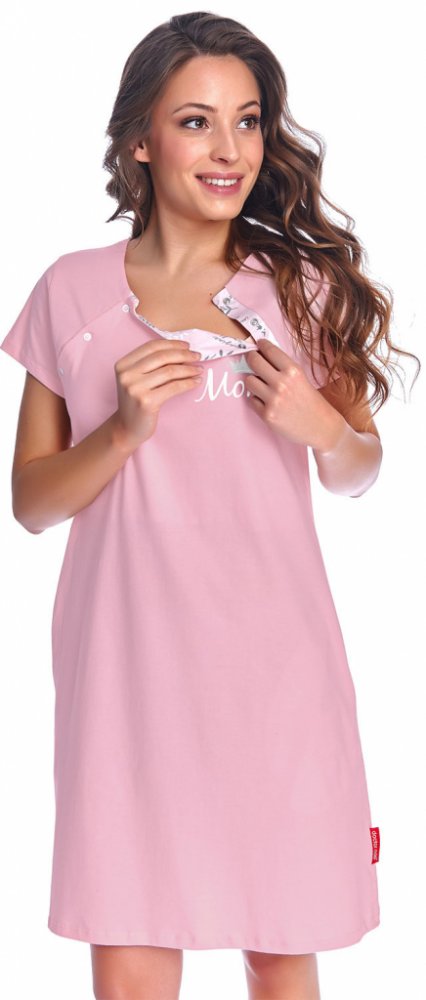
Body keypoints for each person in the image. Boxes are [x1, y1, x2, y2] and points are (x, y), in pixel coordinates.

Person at [1, 11, 419, 1000]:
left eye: (248, 120)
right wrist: (120, 433)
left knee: (281, 951)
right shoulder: (71, 291)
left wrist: (320, 425)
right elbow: (29, 502)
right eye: (196, 121)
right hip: (127, 678)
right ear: (141, 141)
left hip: (276, 678)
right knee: (132, 957)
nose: (229, 148)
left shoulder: (301, 289)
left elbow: (359, 469)